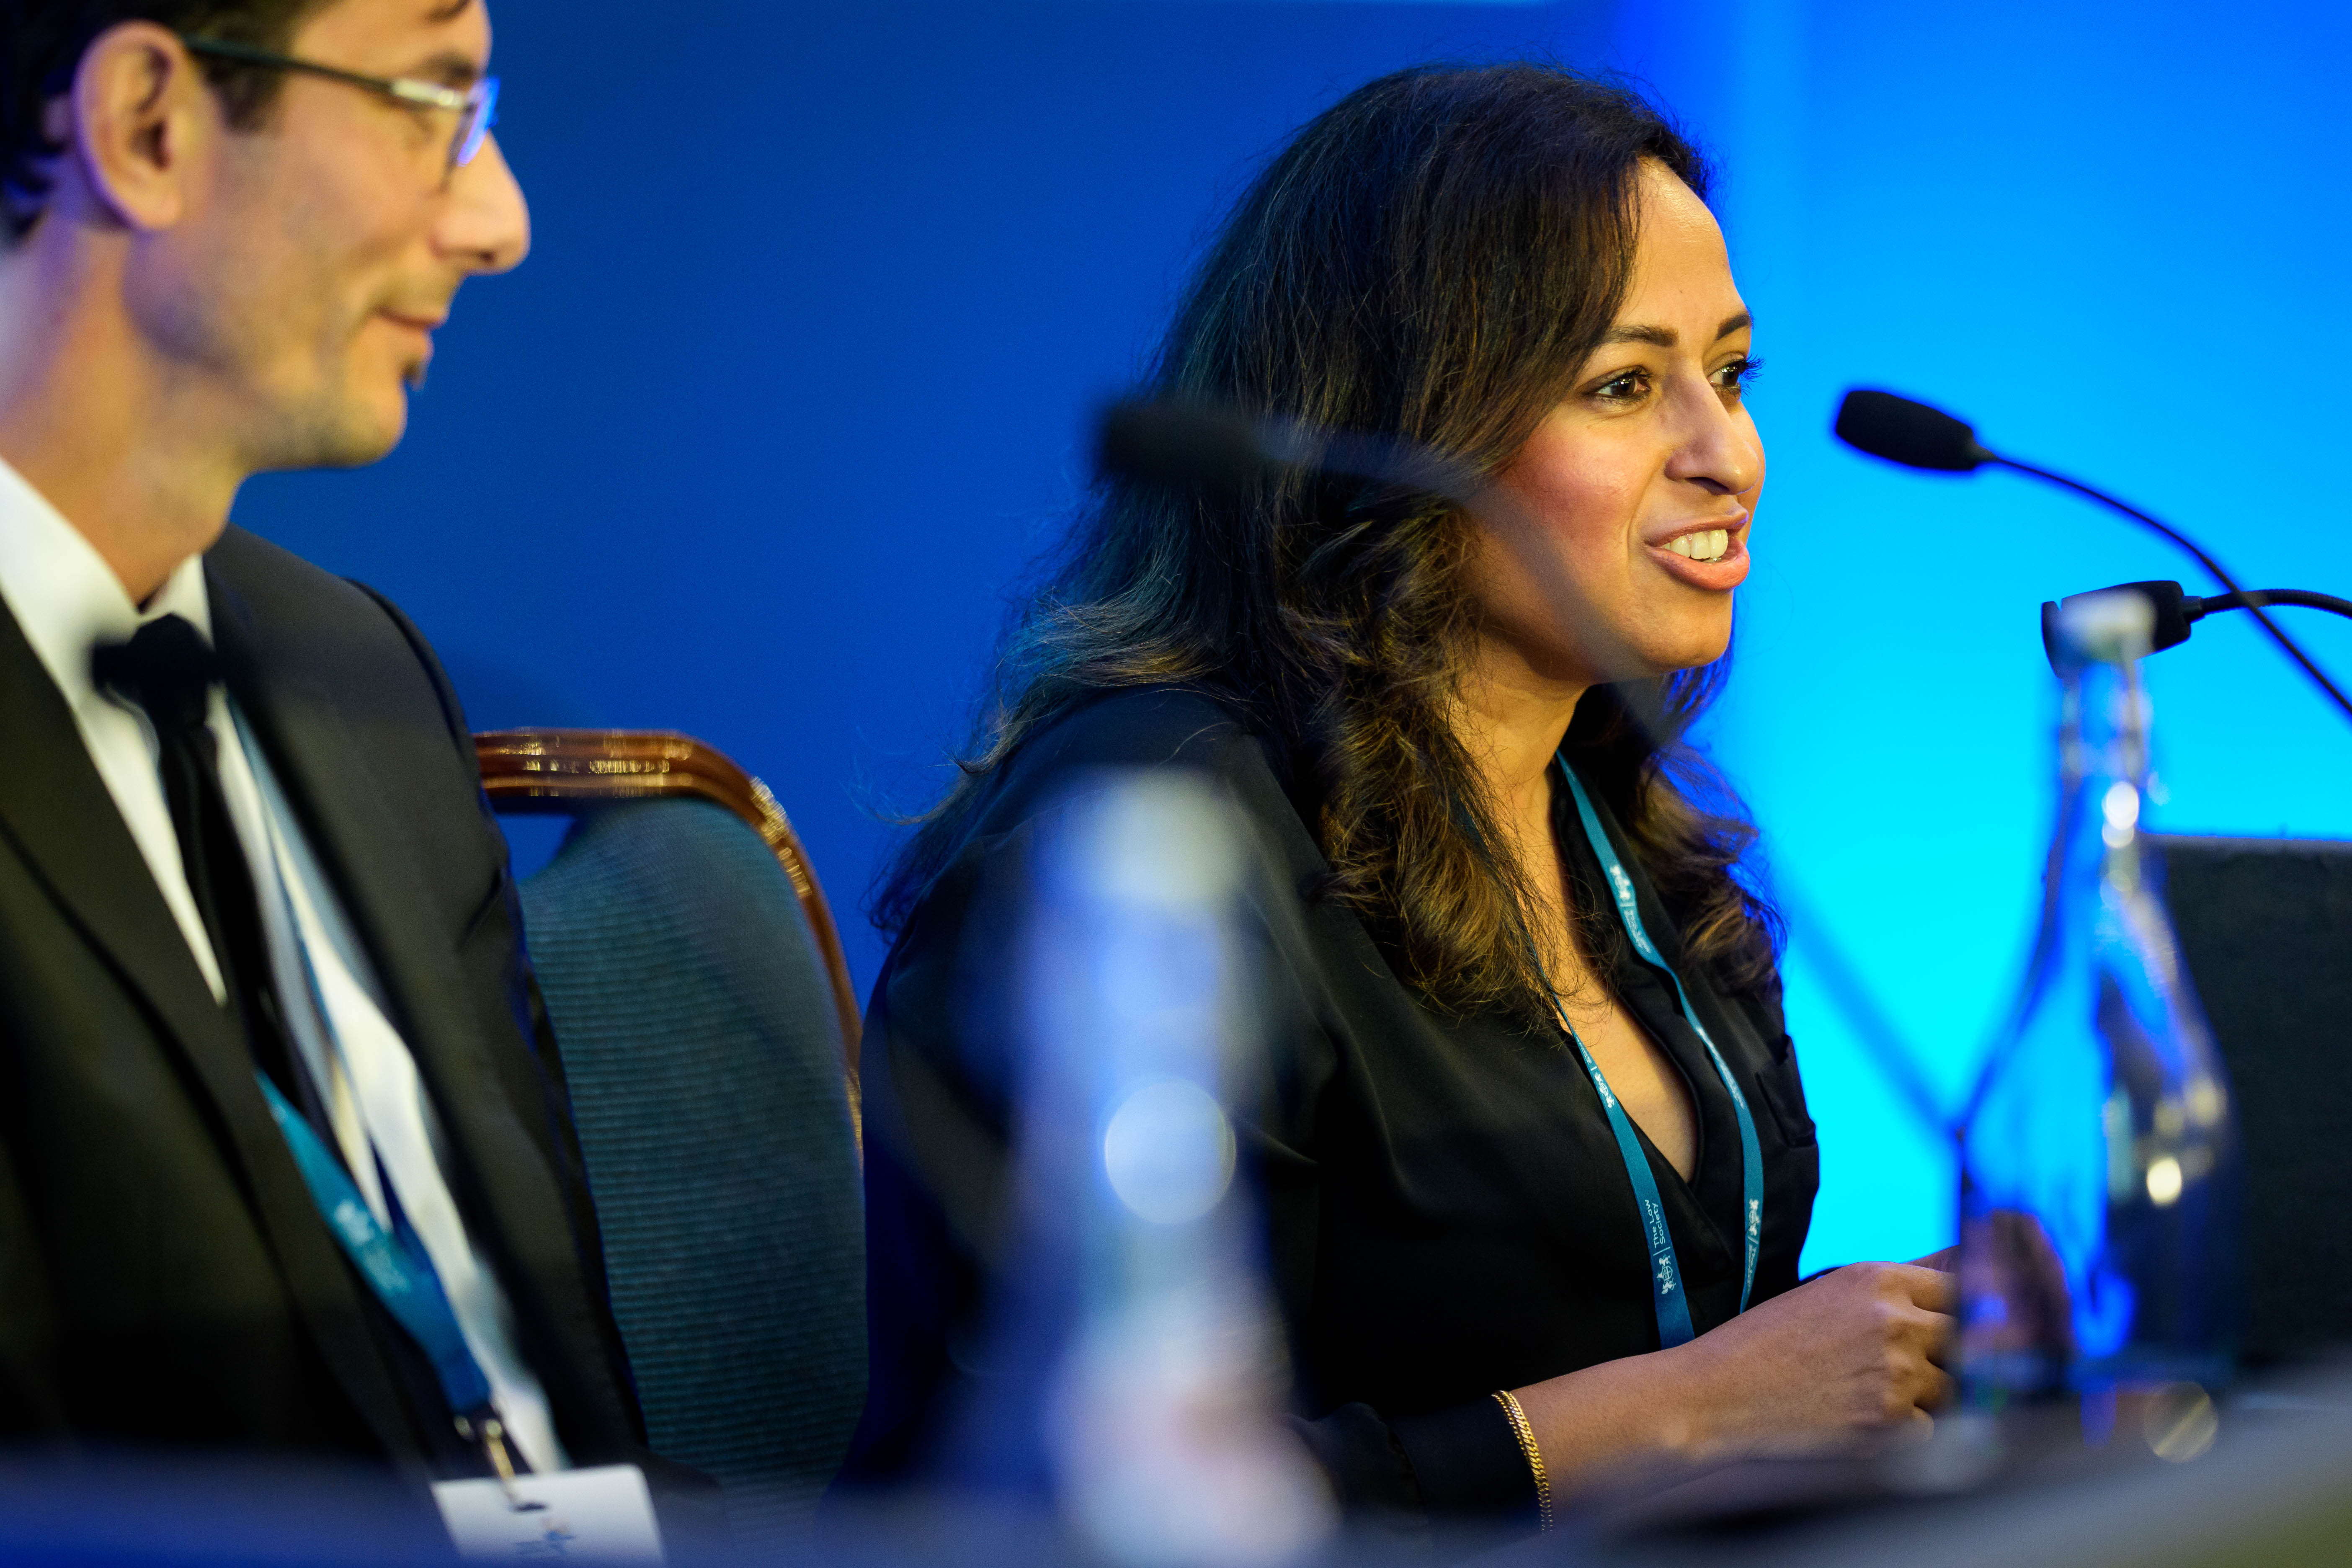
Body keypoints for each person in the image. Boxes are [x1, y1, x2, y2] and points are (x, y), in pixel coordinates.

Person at [848, 64, 1954, 1527]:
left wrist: (1911, 1351)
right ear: (1400, 430)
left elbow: (1623, 1321)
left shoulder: (1625, 831)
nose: (1728, 455)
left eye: (1731, 375)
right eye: (1625, 386)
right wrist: (1693, 1415)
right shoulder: (1151, 830)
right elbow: (1052, 1507)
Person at [0, 0, 682, 1516]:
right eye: (437, 97)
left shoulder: (360, 669)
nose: (500, 221)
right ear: (148, 128)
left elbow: (570, 1417)